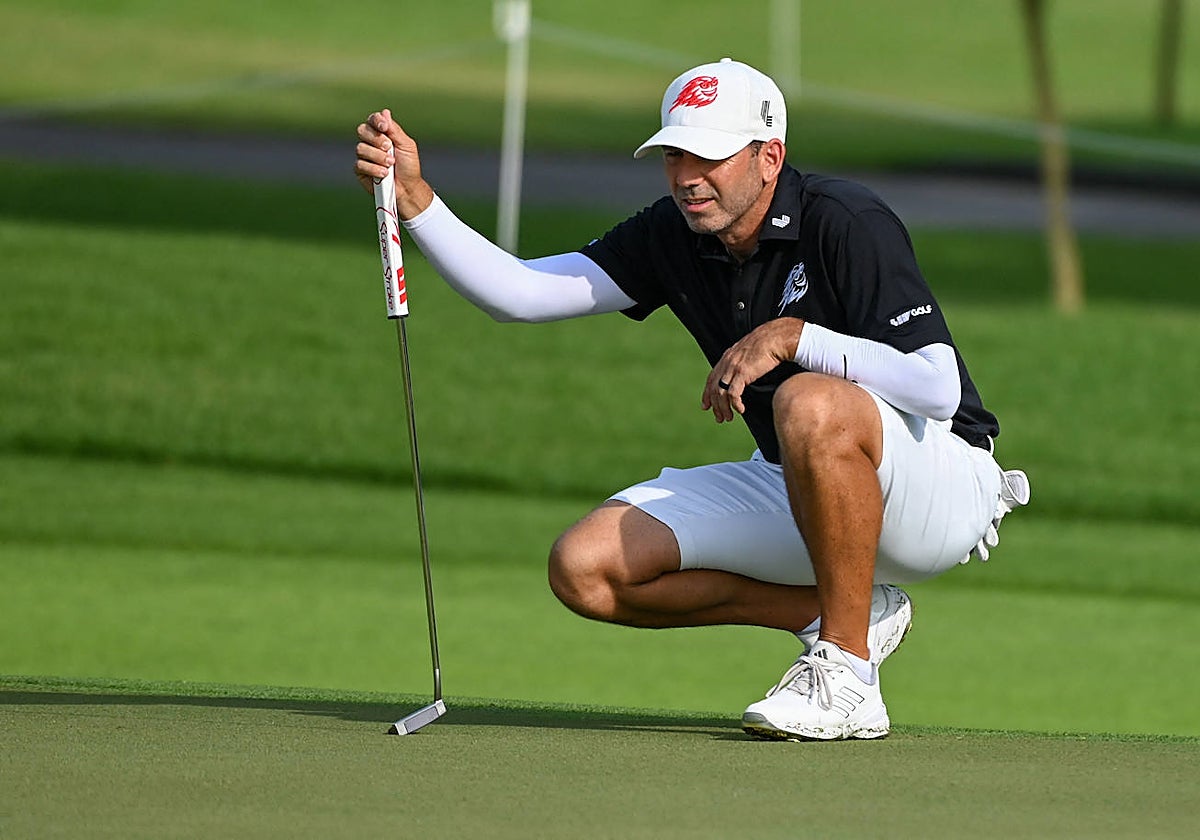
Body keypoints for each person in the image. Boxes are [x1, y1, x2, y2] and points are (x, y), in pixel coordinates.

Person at [354, 57, 1030, 741]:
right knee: (587, 569)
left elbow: (938, 387)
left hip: (939, 484)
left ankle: (847, 673)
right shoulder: (672, 233)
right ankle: (841, 615)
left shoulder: (846, 219)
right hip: (799, 481)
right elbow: (521, 295)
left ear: (769, 158)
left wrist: (795, 337)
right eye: (674, 155)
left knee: (809, 401)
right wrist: (417, 201)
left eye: (708, 156)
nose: (686, 177)